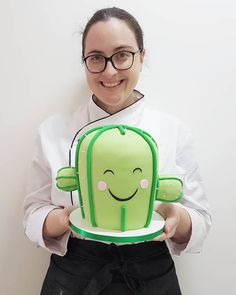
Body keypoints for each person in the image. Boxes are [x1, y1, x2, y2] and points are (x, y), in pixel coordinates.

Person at [23, 7, 211, 295]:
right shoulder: (53, 131)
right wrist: (68, 218)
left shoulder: (173, 131)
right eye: (96, 58)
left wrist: (176, 217)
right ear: (85, 62)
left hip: (152, 275)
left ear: (142, 56)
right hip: (74, 276)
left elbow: (200, 220)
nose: (110, 71)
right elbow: (33, 214)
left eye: (122, 54)